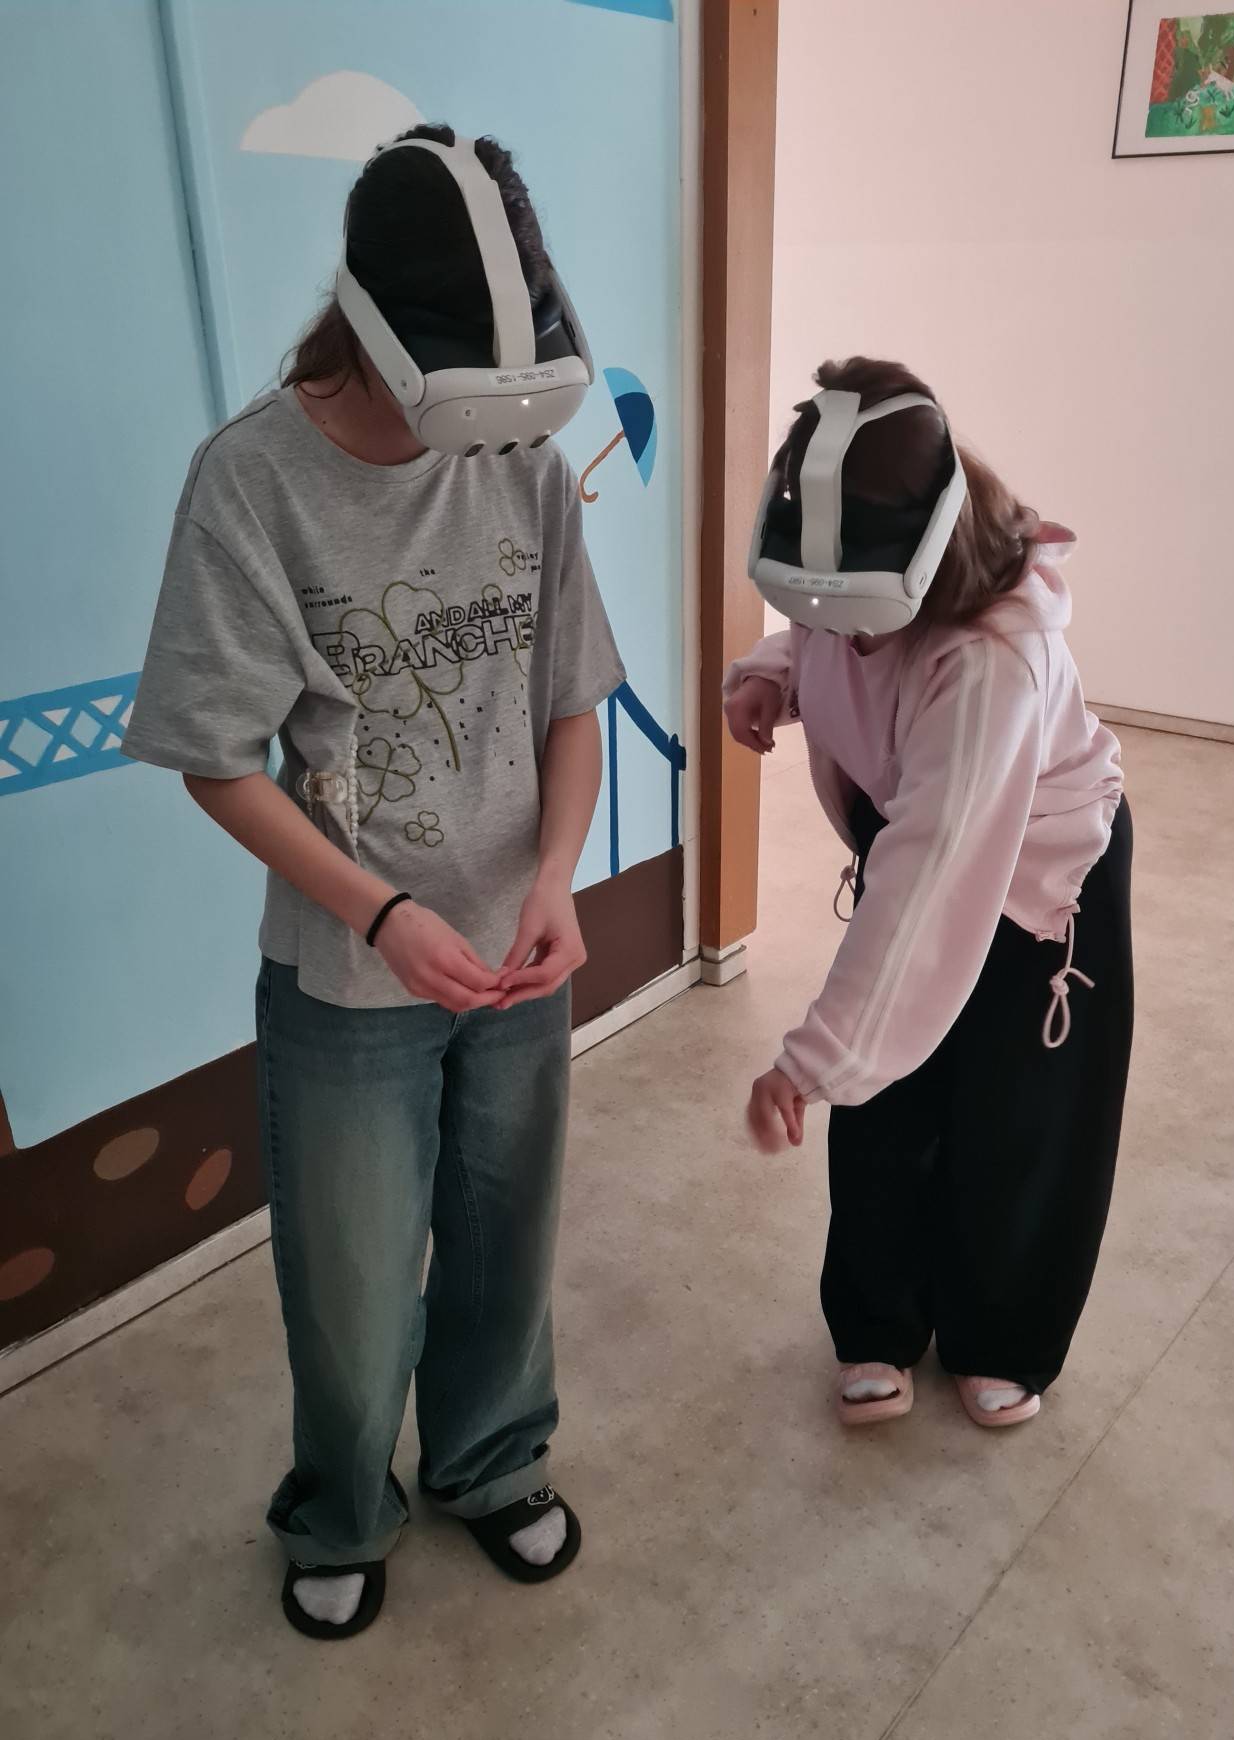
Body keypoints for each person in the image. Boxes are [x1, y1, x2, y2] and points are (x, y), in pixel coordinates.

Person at [122, 127, 624, 1638]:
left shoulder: (525, 462)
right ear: (374, 327)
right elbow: (218, 761)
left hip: (519, 954)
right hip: (349, 974)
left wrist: (557, 874)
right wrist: (383, 915)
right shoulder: (250, 483)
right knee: (348, 1283)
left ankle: (492, 1459)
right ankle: (341, 1509)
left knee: (506, 1239)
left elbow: (571, 702)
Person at [724, 357, 1132, 1431]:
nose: (845, 637)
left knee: (1015, 1111)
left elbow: (931, 876)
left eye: (861, 618)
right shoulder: (844, 572)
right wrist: (772, 672)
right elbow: (817, 626)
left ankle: (1000, 1335)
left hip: (1037, 874)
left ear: (925, 554)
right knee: (886, 1106)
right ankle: (878, 1322)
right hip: (922, 827)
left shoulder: (993, 655)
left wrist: (808, 1060)